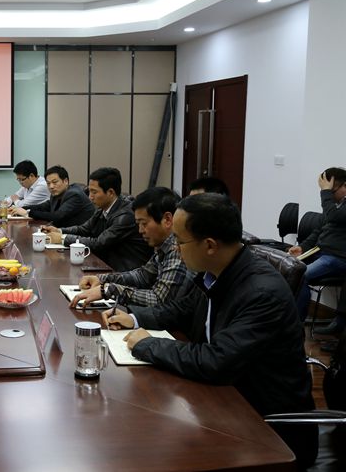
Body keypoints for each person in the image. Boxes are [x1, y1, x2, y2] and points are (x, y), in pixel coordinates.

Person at [104, 193, 317, 468]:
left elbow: (216, 360)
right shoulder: (216, 271)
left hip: (264, 428)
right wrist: (133, 318)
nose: (176, 248)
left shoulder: (262, 293)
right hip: (220, 401)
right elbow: (180, 311)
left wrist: (147, 344)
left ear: (209, 245)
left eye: (180, 241)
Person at [71, 187, 189, 308]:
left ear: (167, 219)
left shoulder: (178, 249)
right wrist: (101, 279)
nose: (140, 230)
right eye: (138, 224)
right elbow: (142, 276)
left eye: (144, 223)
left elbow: (159, 300)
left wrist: (110, 290)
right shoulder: (163, 245)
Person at [42, 167, 151, 272]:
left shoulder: (125, 216)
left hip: (125, 271)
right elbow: (84, 229)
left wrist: (62, 238)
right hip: (105, 264)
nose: (90, 197)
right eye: (89, 191)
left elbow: (99, 243)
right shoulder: (102, 208)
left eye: (94, 192)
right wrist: (59, 231)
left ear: (110, 192)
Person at [289, 167, 346, 333]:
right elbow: (319, 230)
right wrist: (302, 247)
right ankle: (285, 317)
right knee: (288, 269)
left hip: (337, 258)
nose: (329, 195)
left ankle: (296, 326)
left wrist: (325, 193)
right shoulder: (334, 205)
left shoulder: (335, 207)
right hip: (319, 252)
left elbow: (334, 216)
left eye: (331, 191)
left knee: (300, 276)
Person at [9, 165, 95, 228]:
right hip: (63, 232)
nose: (51, 186)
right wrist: (20, 209)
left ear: (65, 181)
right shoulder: (57, 194)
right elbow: (43, 207)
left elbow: (57, 216)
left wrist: (27, 213)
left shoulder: (74, 194)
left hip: (79, 239)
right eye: (48, 183)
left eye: (55, 182)